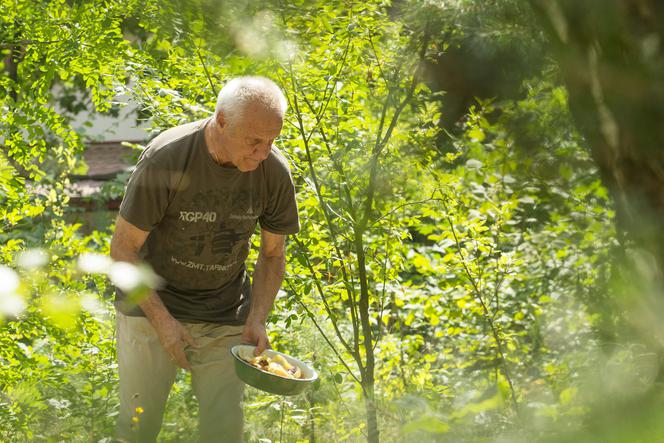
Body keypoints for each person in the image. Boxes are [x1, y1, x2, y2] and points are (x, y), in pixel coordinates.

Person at [109, 76, 299, 442]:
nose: (263, 153)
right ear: (222, 120)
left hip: (224, 313)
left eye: (272, 140)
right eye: (254, 141)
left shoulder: (273, 172)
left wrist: (257, 319)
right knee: (137, 426)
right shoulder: (168, 157)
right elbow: (123, 250)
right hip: (150, 307)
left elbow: (273, 254)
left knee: (224, 429)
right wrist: (164, 322)